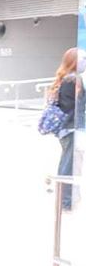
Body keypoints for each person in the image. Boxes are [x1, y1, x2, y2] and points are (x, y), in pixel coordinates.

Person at [48, 47, 82, 211]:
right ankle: (66, 200)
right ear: (75, 62)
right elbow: (76, 106)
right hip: (70, 128)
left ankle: (69, 197)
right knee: (69, 164)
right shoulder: (72, 81)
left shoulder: (66, 79)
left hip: (67, 128)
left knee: (70, 163)